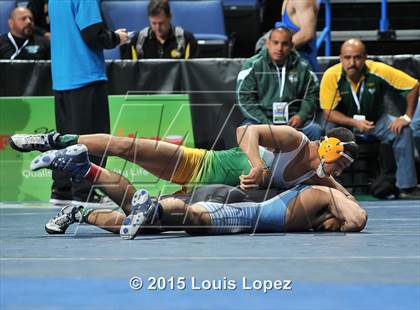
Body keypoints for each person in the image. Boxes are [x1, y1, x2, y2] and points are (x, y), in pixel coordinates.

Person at [28, 146, 367, 239]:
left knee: (133, 219)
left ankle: (82, 190)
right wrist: (341, 209)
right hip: (236, 207)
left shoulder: (309, 185)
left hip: (224, 193)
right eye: (336, 169)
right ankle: (154, 210)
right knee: (193, 221)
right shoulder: (323, 193)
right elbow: (358, 217)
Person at [9, 125, 357, 198]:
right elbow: (245, 130)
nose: (339, 169)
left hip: (210, 196)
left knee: (143, 212)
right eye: (340, 160)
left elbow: (343, 194)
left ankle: (79, 204)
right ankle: (54, 139)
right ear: (327, 146)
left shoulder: (317, 173)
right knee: (125, 146)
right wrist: (258, 165)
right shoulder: (294, 141)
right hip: (199, 165)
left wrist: (345, 194)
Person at [47, 0, 129, 205]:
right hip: (85, 75)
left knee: (66, 137)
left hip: (62, 78)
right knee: (93, 138)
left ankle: (62, 190)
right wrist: (117, 38)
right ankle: (86, 192)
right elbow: (93, 34)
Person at [320, 38, 420, 199]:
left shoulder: (377, 70)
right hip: (345, 124)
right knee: (329, 134)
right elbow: (328, 112)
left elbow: (413, 86)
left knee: (403, 131)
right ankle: (334, 185)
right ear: (340, 58)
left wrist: (407, 117)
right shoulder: (332, 75)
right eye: (347, 57)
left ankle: (406, 187)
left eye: (357, 57)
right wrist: (354, 122)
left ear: (365, 58)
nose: (352, 62)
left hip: (377, 121)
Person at [237, 26, 322, 141]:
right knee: (247, 129)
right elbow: (244, 98)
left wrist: (301, 116)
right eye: (275, 43)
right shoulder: (252, 65)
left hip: (294, 123)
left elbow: (312, 95)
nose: (279, 48)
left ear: (291, 46)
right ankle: (250, 160)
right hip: (261, 121)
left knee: (315, 130)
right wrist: (265, 122)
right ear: (268, 43)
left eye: (285, 44)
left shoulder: (303, 67)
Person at [255, 0, 320, 73]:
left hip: (303, 71)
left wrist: (274, 51)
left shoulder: (301, 1)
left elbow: (307, 34)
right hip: (290, 69)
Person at [120, 0, 198, 59]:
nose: (158, 28)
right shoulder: (137, 40)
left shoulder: (187, 39)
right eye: (154, 23)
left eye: (161, 23)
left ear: (170, 17)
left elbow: (195, 72)